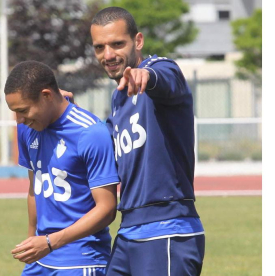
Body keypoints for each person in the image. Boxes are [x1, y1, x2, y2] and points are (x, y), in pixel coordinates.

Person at [88, 6, 205, 276]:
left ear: (137, 41)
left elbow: (167, 79)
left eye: (117, 44)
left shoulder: (160, 68)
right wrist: (60, 109)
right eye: (99, 47)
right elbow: (99, 140)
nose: (108, 55)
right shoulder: (118, 97)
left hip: (166, 230)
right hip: (128, 231)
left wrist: (147, 76)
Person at [5, 60, 120, 276]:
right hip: (41, 260)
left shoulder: (91, 133)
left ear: (46, 95)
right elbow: (35, 188)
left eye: (23, 110)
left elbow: (106, 209)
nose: (19, 120)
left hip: (80, 260)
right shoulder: (27, 129)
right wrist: (32, 245)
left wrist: (50, 242)